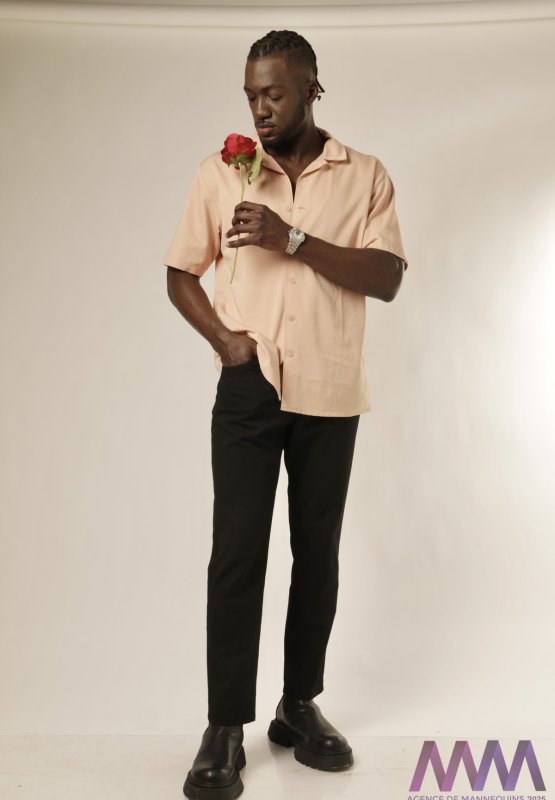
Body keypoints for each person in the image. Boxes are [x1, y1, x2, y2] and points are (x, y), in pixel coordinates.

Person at [163, 29, 408, 800]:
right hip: (250, 385)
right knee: (235, 554)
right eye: (250, 96)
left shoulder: (364, 175)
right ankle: (223, 727)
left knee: (317, 553)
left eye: (272, 93)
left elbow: (386, 276)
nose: (259, 109)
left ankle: (298, 705)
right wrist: (226, 342)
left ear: (310, 89)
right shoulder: (220, 172)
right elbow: (179, 273)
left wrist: (293, 238)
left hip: (330, 385)